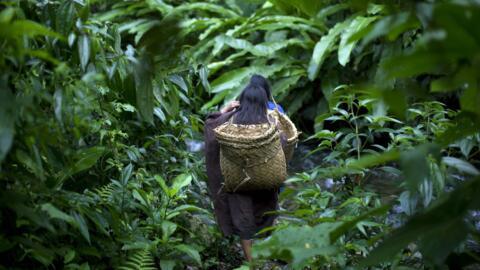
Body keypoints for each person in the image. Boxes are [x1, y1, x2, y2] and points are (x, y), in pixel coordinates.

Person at [204, 76, 287, 262]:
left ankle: (251, 264)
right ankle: (269, 253)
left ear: (243, 99)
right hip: (265, 180)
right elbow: (285, 144)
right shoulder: (271, 122)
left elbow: (211, 127)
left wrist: (223, 110)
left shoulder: (231, 120)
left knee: (243, 221)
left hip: (238, 180)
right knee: (266, 214)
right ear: (264, 101)